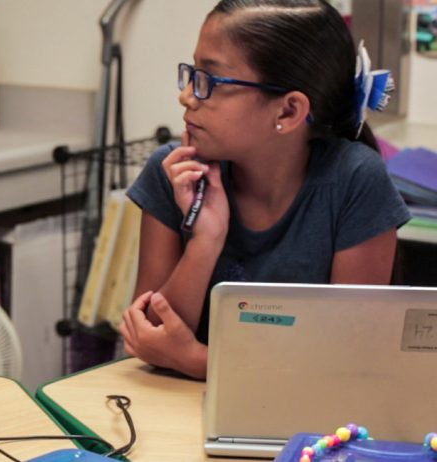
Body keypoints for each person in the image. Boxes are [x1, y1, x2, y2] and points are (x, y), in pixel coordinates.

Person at [118, 0, 411, 379]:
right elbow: (149, 341)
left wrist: (196, 360)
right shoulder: (175, 172)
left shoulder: (355, 181)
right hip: (175, 412)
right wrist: (205, 240)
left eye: (211, 80)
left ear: (288, 112)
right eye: (191, 73)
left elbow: (347, 365)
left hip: (304, 424)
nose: (187, 96)